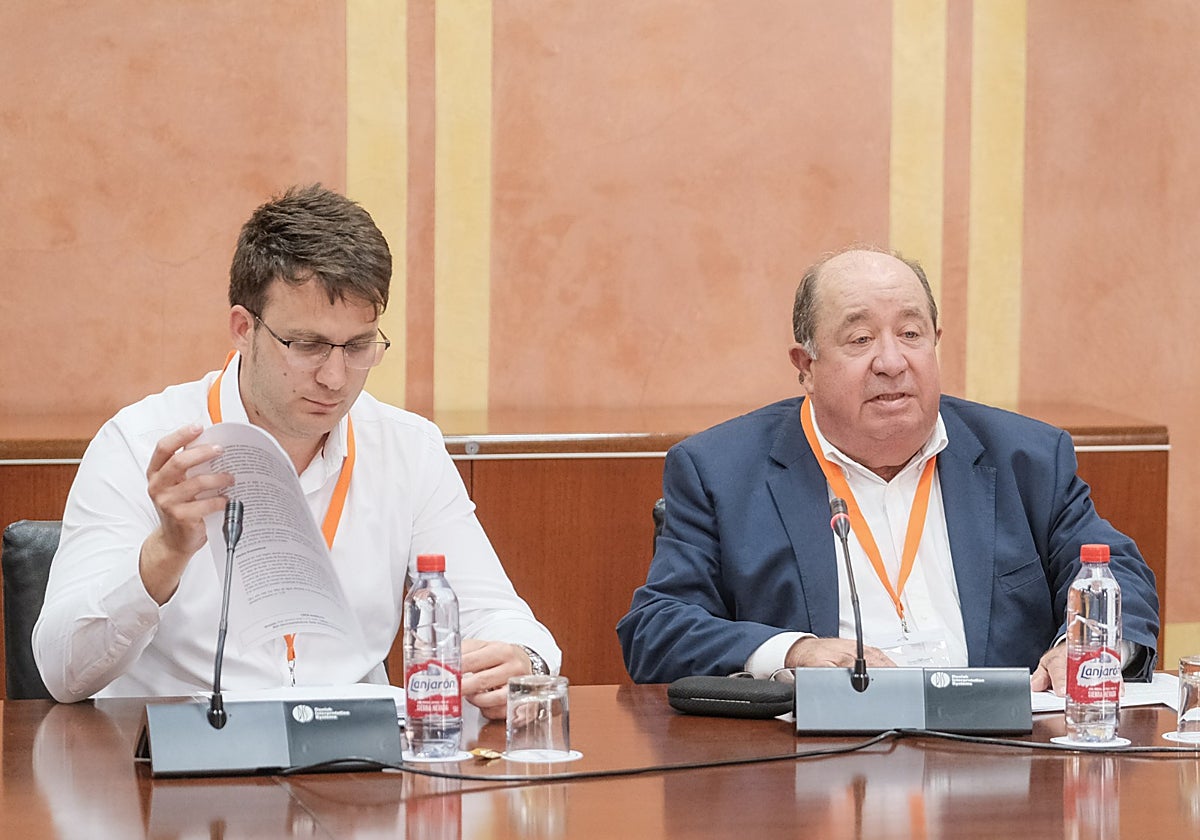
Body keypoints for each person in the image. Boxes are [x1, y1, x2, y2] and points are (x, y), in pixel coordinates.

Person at [34, 185, 560, 718]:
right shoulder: (141, 444)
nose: (335, 379)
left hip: (354, 769)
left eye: (358, 347)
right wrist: (164, 553)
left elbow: (499, 616)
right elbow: (62, 673)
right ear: (244, 329)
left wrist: (526, 663)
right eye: (307, 345)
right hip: (177, 767)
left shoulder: (407, 448)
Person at [617, 246, 1158, 693]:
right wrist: (794, 652)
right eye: (859, 339)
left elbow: (1117, 575)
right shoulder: (719, 472)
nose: (892, 361)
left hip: (1002, 763)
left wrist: (1081, 649)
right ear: (806, 366)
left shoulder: (1028, 458)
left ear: (936, 345)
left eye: (911, 334)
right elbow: (657, 628)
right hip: (815, 781)